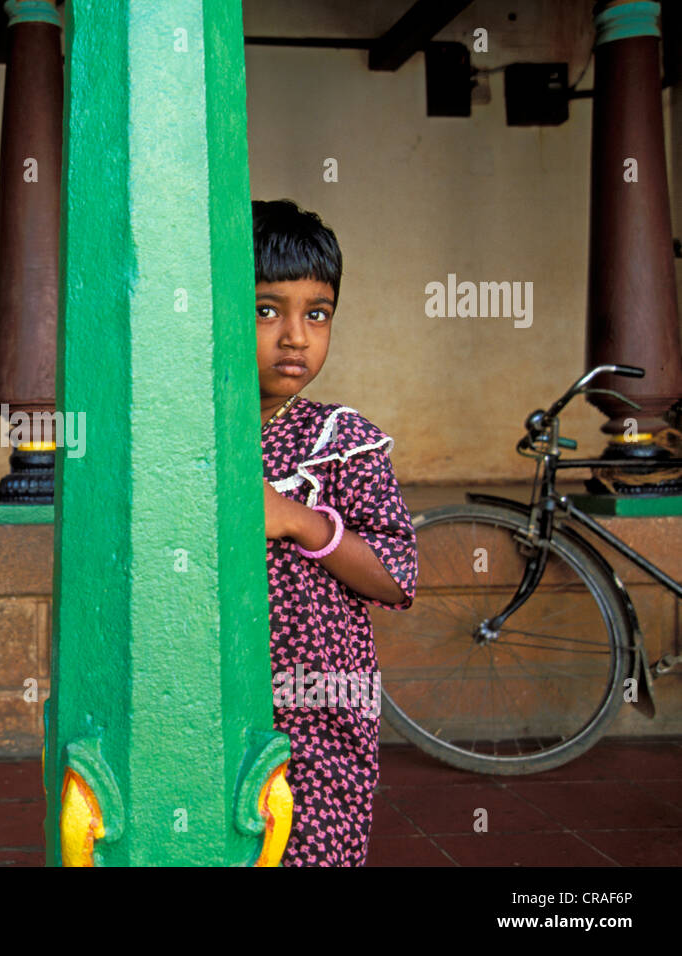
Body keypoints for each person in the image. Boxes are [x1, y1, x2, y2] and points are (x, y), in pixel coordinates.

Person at [253, 199, 418, 866]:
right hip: (215, 704)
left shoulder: (342, 441)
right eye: (267, 310)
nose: (296, 335)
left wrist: (297, 520)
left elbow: (396, 576)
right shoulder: (187, 438)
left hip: (321, 710)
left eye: (316, 313)